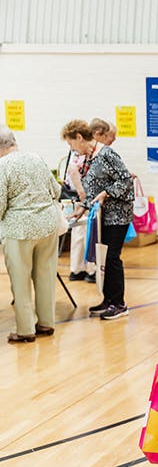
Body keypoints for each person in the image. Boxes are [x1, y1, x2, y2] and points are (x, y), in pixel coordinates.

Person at [63, 119, 134, 320]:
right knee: (103, 258)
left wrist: (106, 193)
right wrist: (82, 208)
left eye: (71, 143)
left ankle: (119, 304)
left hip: (117, 215)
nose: (71, 149)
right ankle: (108, 299)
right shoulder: (89, 157)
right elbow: (93, 189)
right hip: (102, 215)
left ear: (79, 137)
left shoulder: (106, 154)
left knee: (111, 257)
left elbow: (126, 180)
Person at [0, 125, 61, 343]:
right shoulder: (36, 158)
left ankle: (25, 330)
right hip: (48, 226)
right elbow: (57, 191)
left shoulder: (2, 166)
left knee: (20, 280)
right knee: (46, 276)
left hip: (19, 230)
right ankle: (46, 323)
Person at [63, 144, 96, 283]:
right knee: (90, 233)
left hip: (75, 196)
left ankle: (76, 269)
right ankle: (92, 270)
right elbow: (73, 171)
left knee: (78, 233)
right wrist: (82, 193)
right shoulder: (85, 151)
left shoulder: (74, 152)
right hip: (85, 196)